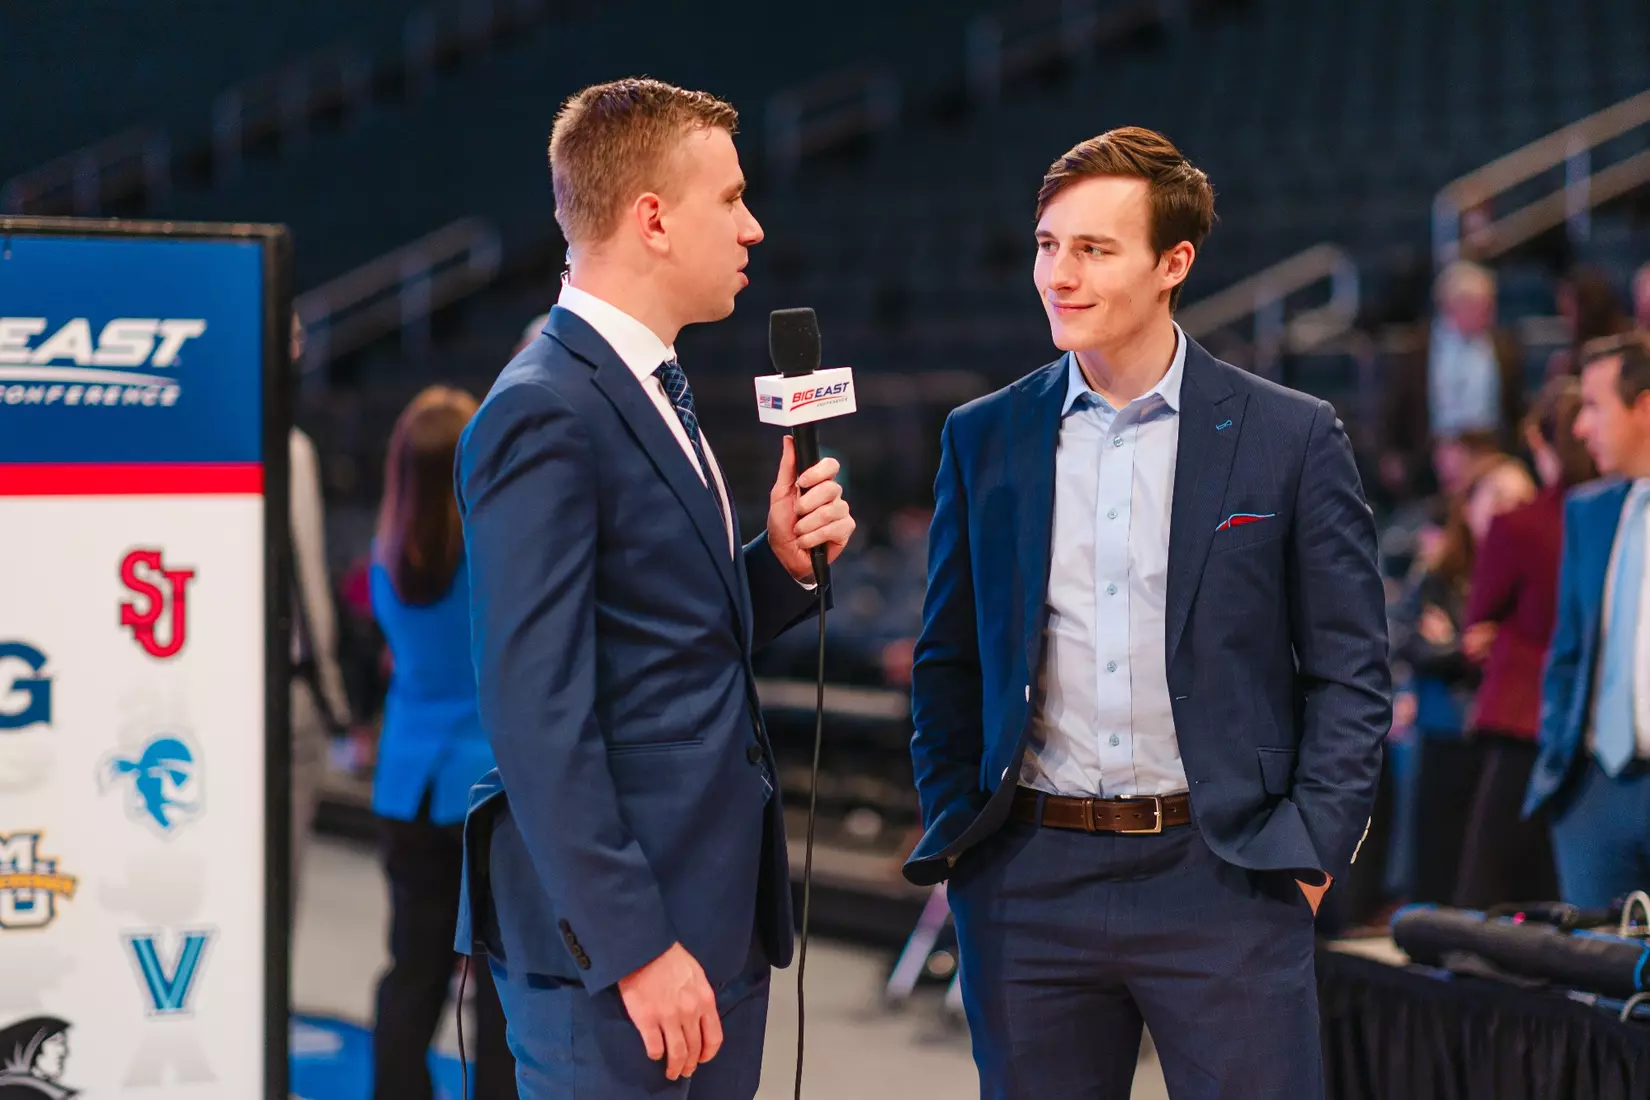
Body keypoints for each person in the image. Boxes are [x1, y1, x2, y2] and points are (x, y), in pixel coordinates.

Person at [904, 126, 1391, 1099]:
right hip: (1030, 876)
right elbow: (947, 660)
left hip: (1226, 875)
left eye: (1093, 249)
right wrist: (964, 834)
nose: (1059, 274)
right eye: (1048, 244)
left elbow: (1353, 669)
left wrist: (1308, 849)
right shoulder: (985, 434)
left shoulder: (1290, 434)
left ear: (1175, 262)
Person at [453, 78, 856, 1098]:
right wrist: (636, 947)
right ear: (652, 218)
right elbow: (535, 710)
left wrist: (777, 565)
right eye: (731, 198)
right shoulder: (542, 409)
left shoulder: (645, 383)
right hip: (625, 951)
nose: (754, 227)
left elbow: (672, 638)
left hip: (712, 916)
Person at [368, 386, 514, 1100]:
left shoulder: (383, 556)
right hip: (484, 787)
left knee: (412, 971)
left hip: (406, 784)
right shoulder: (493, 557)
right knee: (499, 983)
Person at [1453, 379, 1595, 909]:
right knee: (1557, 878)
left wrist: (1500, 637)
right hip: (1589, 719)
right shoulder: (1615, 518)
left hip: (1521, 713)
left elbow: (1477, 622)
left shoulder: (1519, 527)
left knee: (1487, 878)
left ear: (1539, 440)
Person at [1526, 332, 1650, 908]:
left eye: (1594, 407)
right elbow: (1568, 651)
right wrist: (1562, 765)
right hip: (1592, 792)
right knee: (1592, 994)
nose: (1579, 429)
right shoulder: (1590, 511)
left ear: (1644, 406)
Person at [288, 313, 352, 898]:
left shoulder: (297, 449)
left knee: (283, 886)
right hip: (236, 698)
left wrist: (330, 700)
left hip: (300, 695)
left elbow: (312, 586)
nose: (302, 342)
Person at [1381, 262, 1524, 501]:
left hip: (1491, 452)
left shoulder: (1504, 346)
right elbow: (1395, 404)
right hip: (1431, 458)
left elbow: (1514, 405)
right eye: (1480, 306)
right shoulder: (1418, 349)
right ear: (1451, 305)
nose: (1489, 314)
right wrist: (1390, 453)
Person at [1544, 265, 1631, 380]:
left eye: (1568, 313)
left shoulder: (1631, 352)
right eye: (1562, 313)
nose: (1565, 322)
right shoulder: (1565, 364)